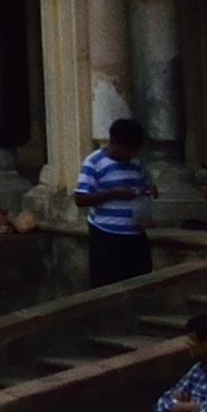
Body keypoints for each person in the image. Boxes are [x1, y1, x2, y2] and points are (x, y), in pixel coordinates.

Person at [73, 118, 158, 290]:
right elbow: (80, 198)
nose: (132, 154)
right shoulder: (94, 162)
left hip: (135, 233)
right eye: (130, 149)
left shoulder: (136, 164)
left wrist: (150, 190)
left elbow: (143, 188)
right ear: (116, 144)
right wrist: (112, 193)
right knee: (108, 285)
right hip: (106, 234)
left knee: (141, 282)